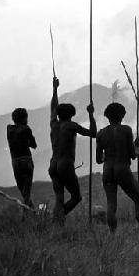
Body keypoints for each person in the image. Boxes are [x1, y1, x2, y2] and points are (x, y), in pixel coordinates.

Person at [48, 77, 97, 224]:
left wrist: (55, 89)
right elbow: (93, 133)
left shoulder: (53, 124)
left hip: (53, 165)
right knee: (76, 197)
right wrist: (91, 115)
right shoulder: (72, 126)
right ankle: (57, 219)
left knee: (59, 198)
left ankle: (57, 224)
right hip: (65, 164)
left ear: (58, 114)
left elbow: (52, 108)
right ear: (72, 114)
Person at [96, 102, 139, 240]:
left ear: (107, 116)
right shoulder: (126, 130)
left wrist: (108, 155)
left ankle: (112, 236)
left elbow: (99, 159)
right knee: (138, 200)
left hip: (108, 171)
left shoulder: (100, 134)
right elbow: (132, 155)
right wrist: (137, 147)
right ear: (122, 115)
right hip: (122, 169)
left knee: (111, 205)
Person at [7, 108, 37, 209]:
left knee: (24, 193)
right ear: (24, 118)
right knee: (27, 192)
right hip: (26, 161)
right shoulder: (26, 129)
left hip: (15, 162)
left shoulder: (9, 129)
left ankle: (33, 214)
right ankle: (26, 218)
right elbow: (34, 145)